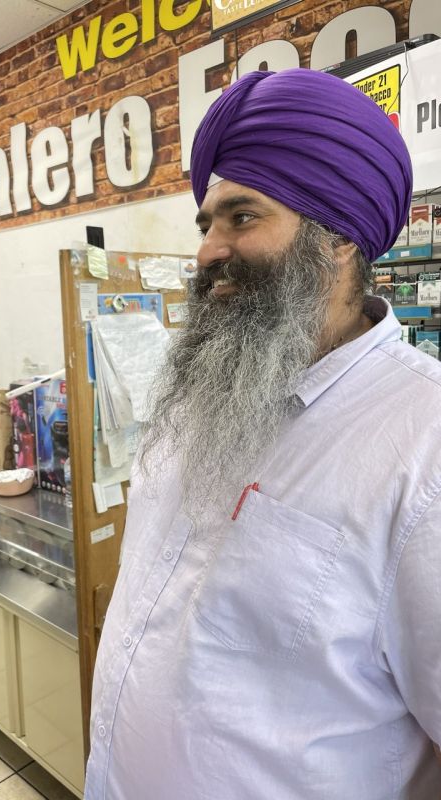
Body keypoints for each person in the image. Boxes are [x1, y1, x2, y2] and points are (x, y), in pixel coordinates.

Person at [84, 68, 441, 799]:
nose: (209, 250)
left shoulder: (423, 446)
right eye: (207, 223)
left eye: (241, 218)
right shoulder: (199, 397)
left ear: (338, 236)